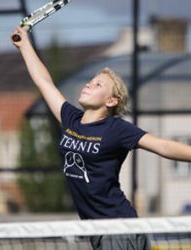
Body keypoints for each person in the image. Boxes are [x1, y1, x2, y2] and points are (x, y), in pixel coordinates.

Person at [11, 27, 191, 250]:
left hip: (119, 227)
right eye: (91, 81)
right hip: (97, 230)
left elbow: (163, 145)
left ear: (112, 101)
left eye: (99, 85)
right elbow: (44, 82)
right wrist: (25, 45)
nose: (89, 84)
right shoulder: (71, 119)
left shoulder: (116, 129)